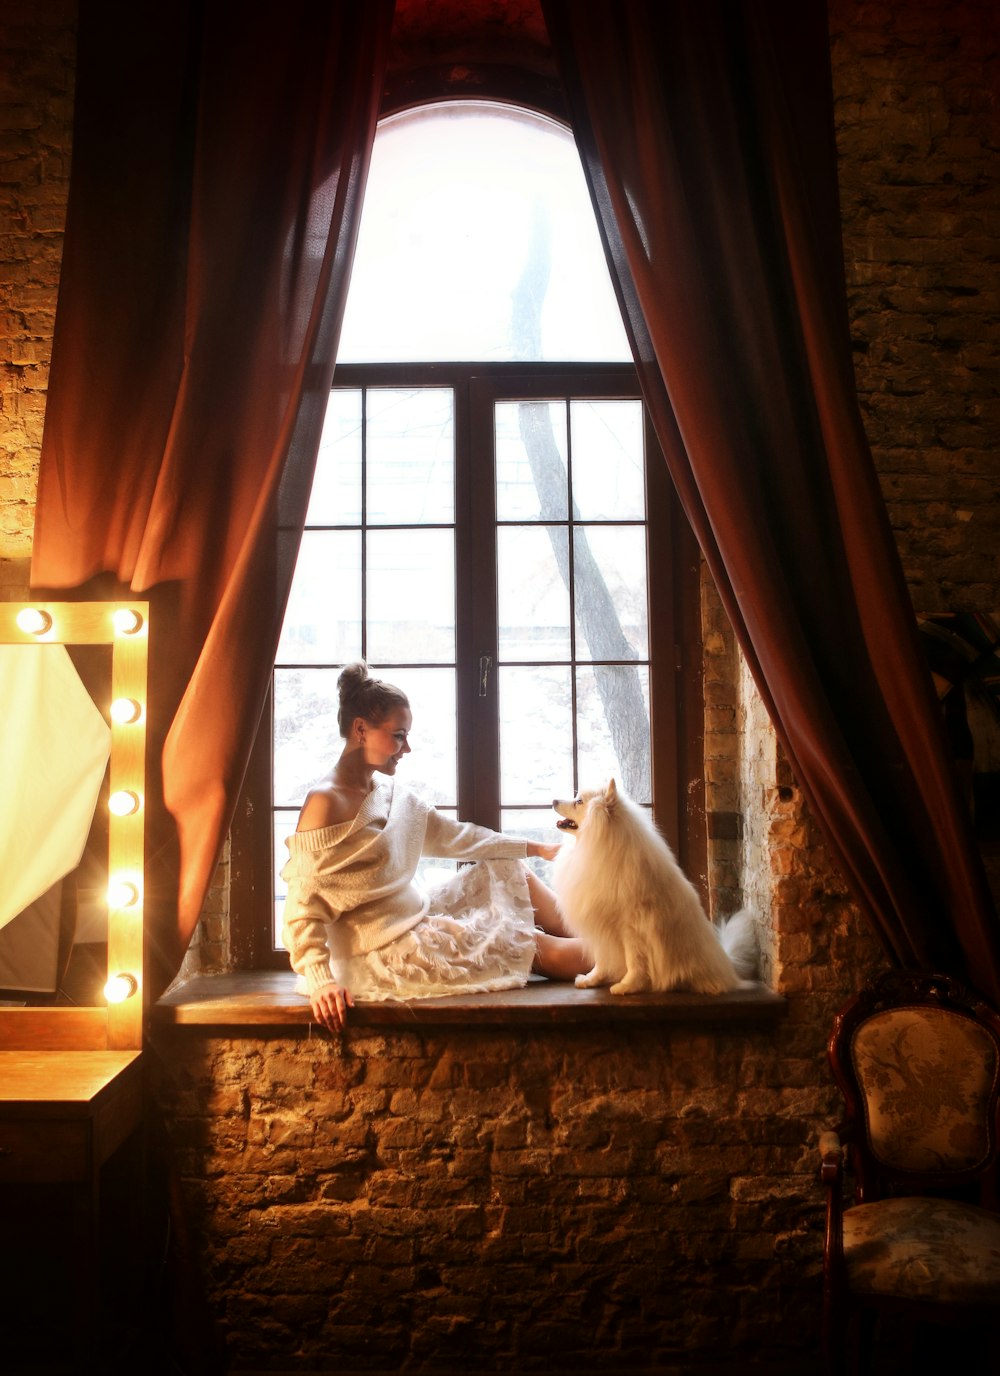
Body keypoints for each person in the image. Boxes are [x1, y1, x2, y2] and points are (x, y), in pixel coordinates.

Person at [281, 661, 589, 1032]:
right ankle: (640, 953)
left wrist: (534, 848)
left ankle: (606, 932)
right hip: (378, 952)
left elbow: (455, 835)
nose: (406, 747)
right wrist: (320, 980)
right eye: (398, 735)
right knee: (523, 940)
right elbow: (302, 907)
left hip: (412, 915)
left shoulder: (387, 793)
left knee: (511, 871)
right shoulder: (325, 802)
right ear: (361, 729)